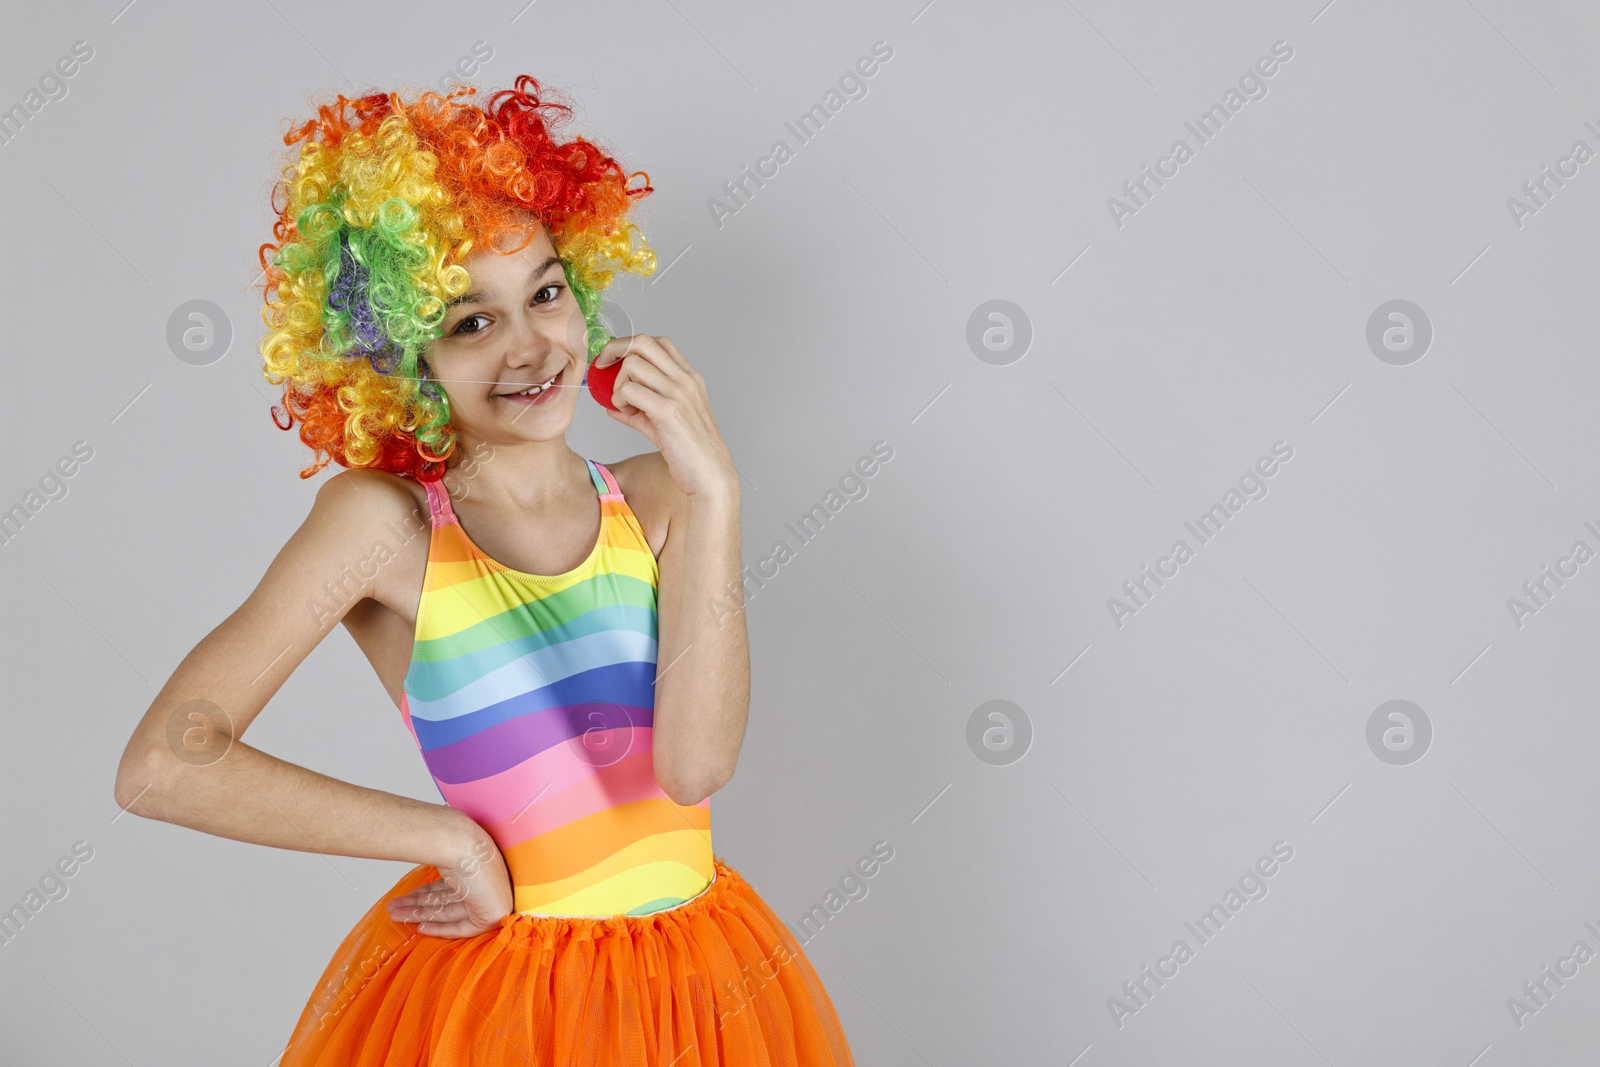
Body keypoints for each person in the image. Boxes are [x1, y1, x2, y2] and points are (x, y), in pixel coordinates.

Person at [112, 74, 856, 1065]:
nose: (530, 345)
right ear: (398, 357)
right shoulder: (384, 528)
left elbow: (694, 768)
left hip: (695, 982)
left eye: (545, 292)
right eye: (470, 322)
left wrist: (715, 486)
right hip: (504, 1000)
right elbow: (165, 761)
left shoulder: (664, 499)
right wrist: (450, 840)